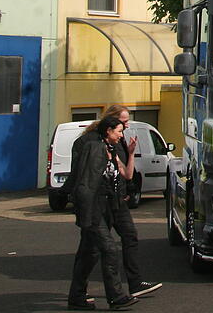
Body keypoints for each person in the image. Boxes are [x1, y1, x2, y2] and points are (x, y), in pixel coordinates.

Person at [63, 105, 161, 301]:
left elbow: (124, 172)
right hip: (97, 204)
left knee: (128, 236)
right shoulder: (90, 144)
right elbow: (85, 176)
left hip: (116, 200)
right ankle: (82, 293)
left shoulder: (115, 143)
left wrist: (126, 185)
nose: (125, 128)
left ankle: (132, 284)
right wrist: (83, 204)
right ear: (110, 125)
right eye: (123, 123)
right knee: (94, 249)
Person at [67, 116, 138, 310]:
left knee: (89, 253)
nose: (121, 135)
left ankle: (76, 296)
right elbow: (86, 182)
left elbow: (125, 176)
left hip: (106, 209)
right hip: (93, 210)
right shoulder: (95, 149)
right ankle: (115, 297)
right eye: (119, 131)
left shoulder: (111, 150)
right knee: (109, 249)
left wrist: (130, 154)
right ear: (108, 131)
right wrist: (85, 214)